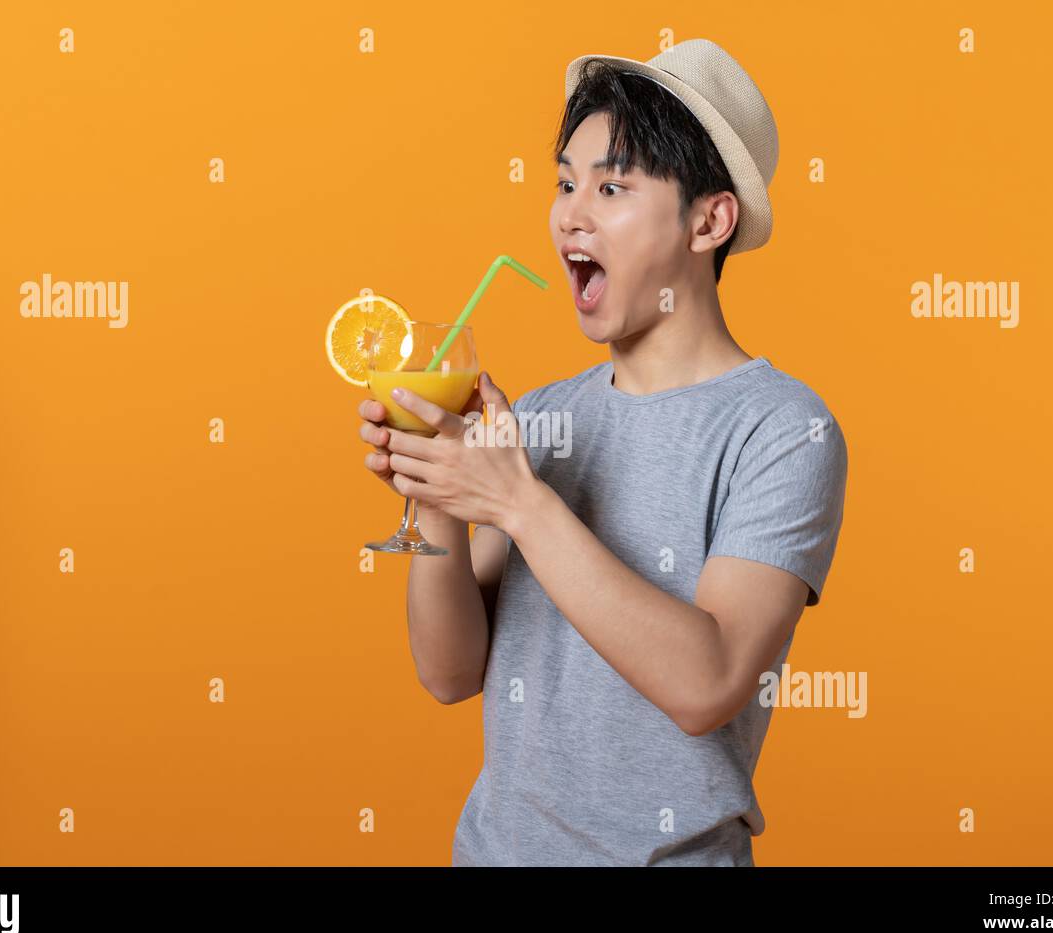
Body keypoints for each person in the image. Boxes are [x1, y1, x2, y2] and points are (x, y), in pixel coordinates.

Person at [355, 39, 848, 865]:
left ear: (710, 220)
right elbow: (449, 671)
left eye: (612, 186)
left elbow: (708, 682)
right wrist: (438, 489)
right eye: (565, 182)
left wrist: (515, 498)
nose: (570, 215)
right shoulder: (545, 418)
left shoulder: (782, 429)